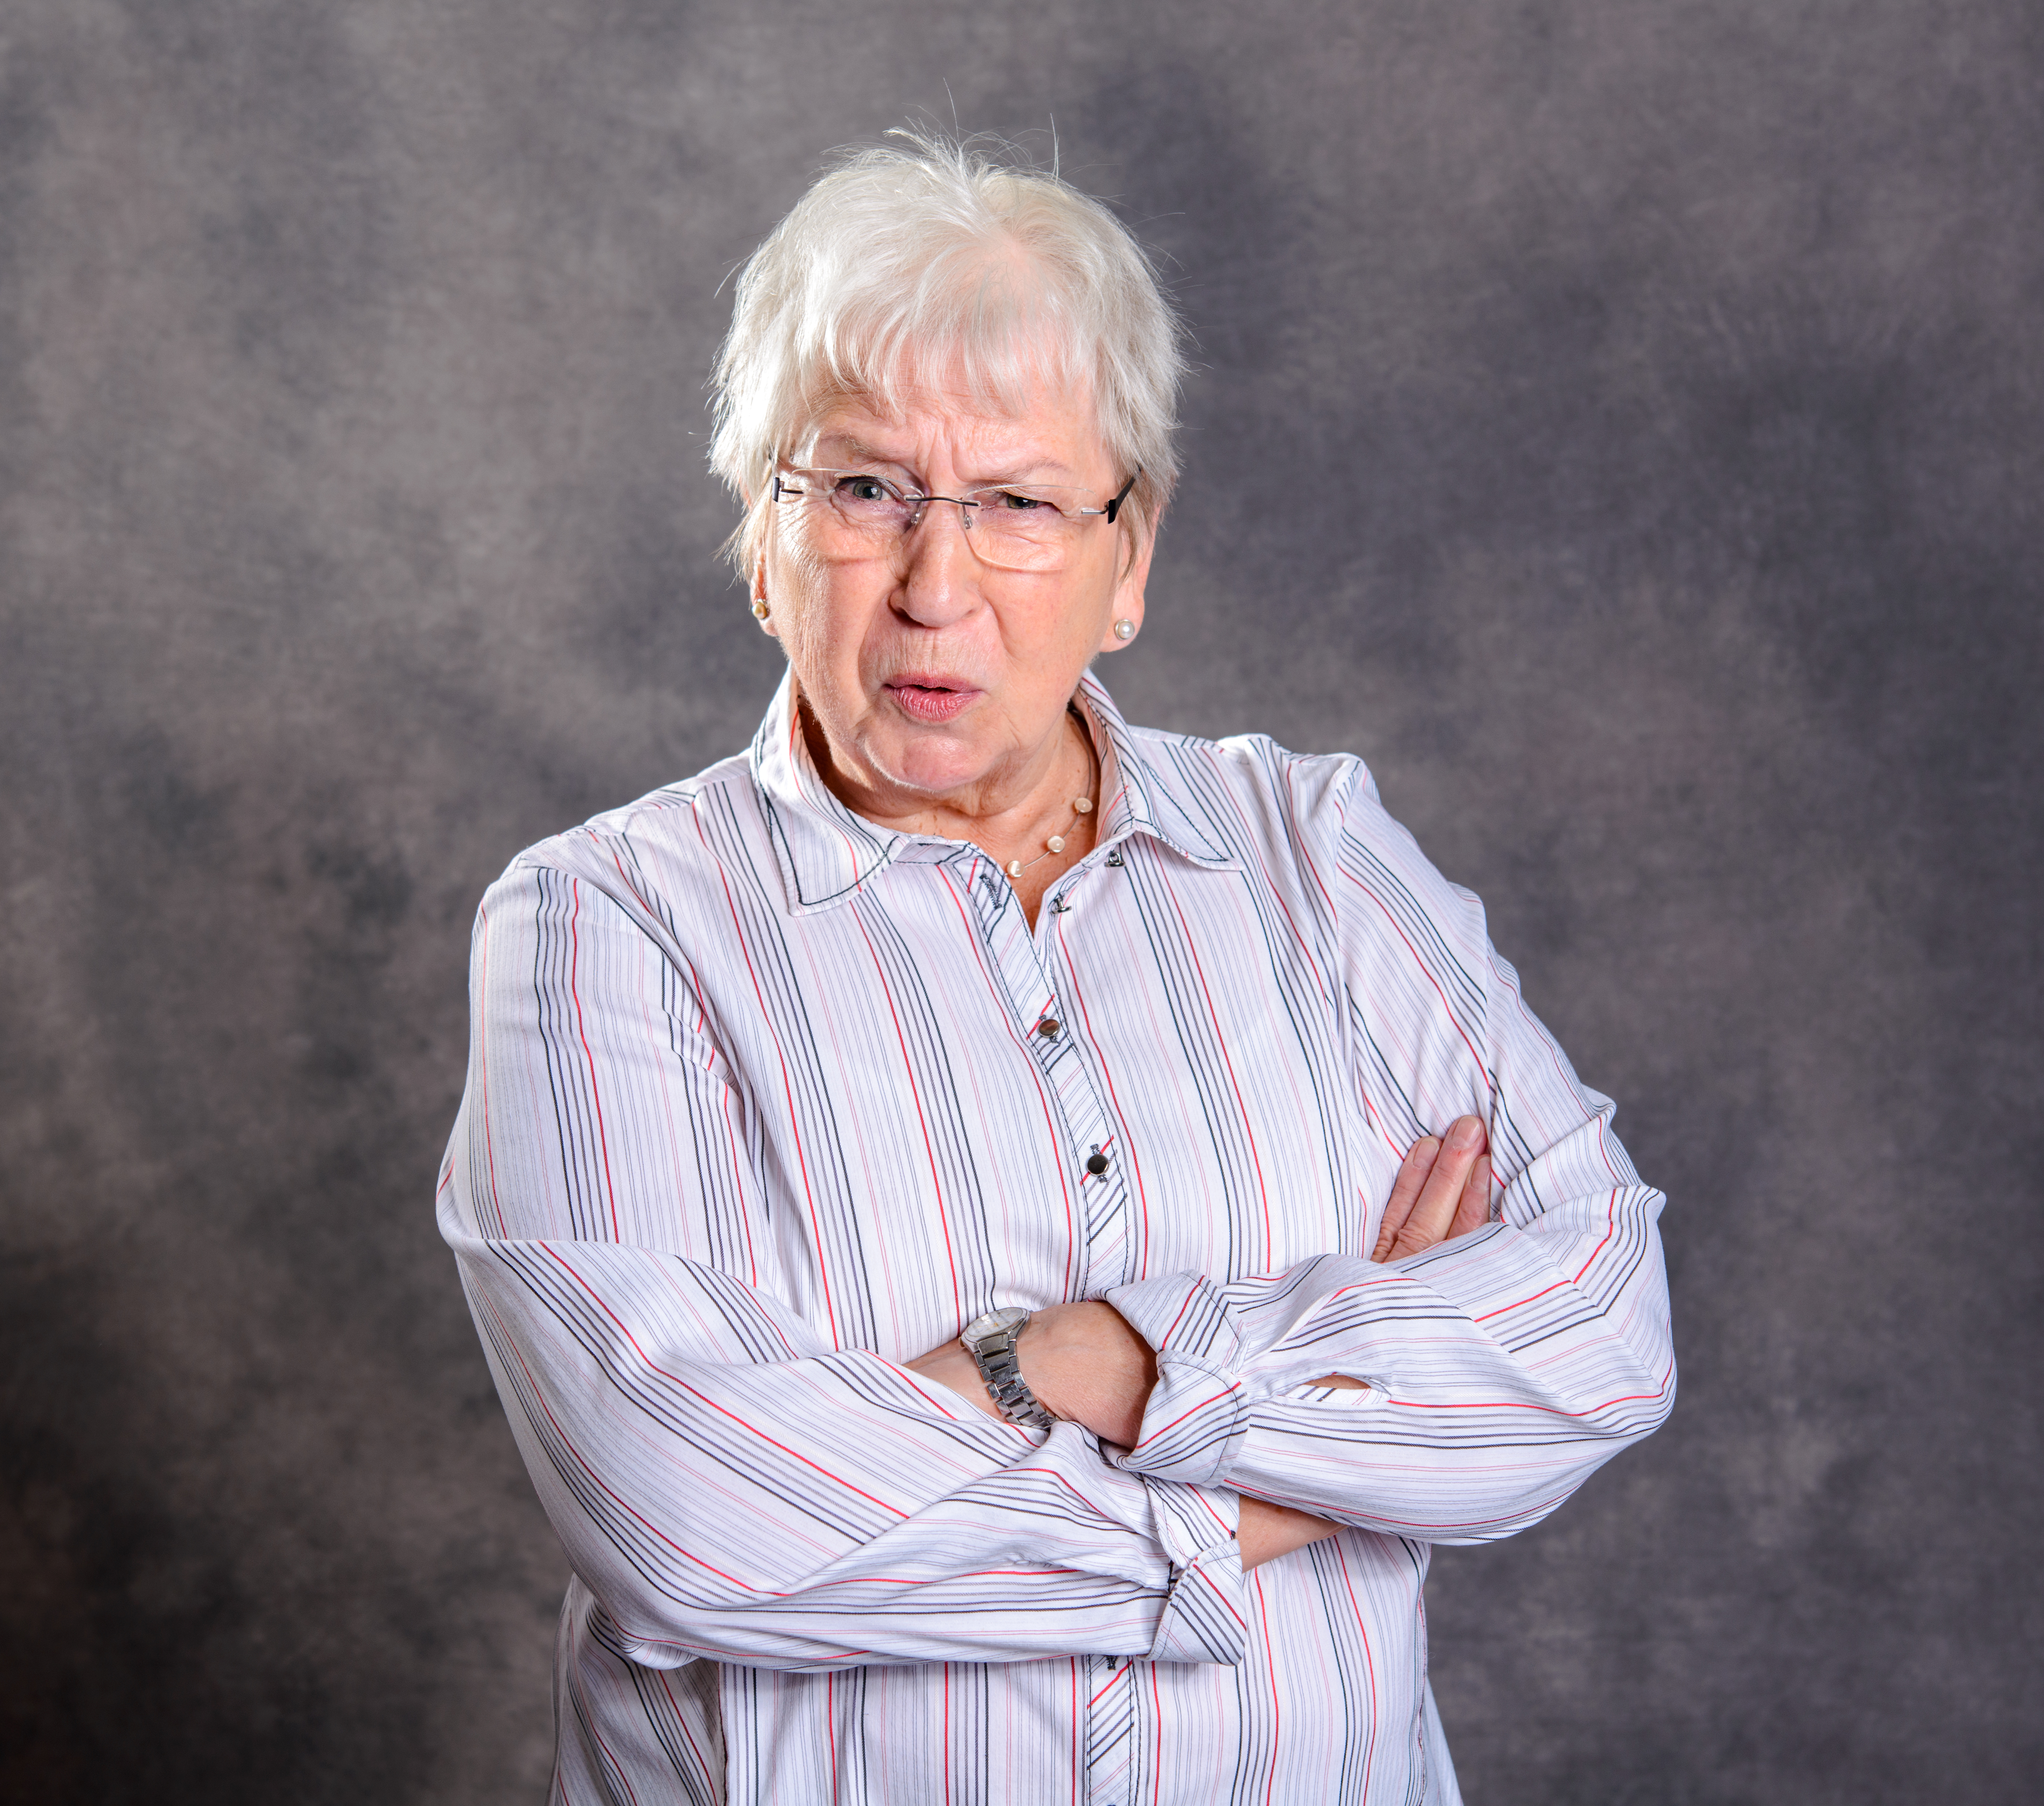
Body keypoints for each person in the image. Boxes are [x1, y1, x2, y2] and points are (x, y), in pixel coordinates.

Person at [438, 133, 1673, 1805]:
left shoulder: (1314, 855)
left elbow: (1597, 1325)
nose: (937, 586)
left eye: (1020, 504)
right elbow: (690, 1524)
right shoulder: (605, 928)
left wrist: (1094, 1363)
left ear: (1128, 560)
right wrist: (1302, 1472)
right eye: (865, 489)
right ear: (761, 533)